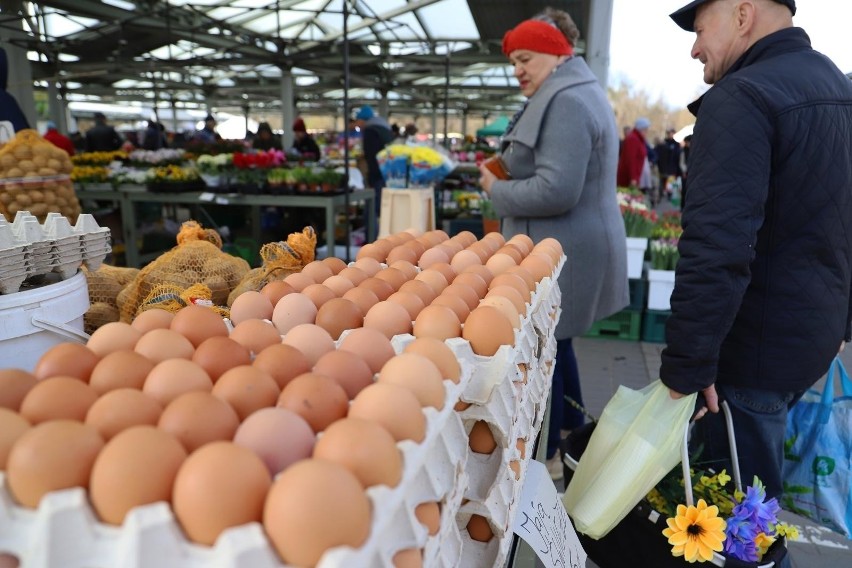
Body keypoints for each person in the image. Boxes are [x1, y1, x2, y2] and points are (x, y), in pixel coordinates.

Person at [662, 0, 852, 517]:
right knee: (752, 510)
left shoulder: (743, 96)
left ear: (742, 16)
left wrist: (685, 368)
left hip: (750, 357)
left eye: (701, 29)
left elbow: (716, 246)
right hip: (805, 344)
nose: (695, 47)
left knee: (735, 529)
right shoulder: (836, 84)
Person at [478, 8, 629, 480]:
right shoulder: (569, 91)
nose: (518, 69)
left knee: (550, 347)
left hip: (566, 250)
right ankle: (570, 443)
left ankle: (551, 455)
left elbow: (557, 190)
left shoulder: (565, 102)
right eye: (513, 61)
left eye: (526, 58)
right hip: (565, 248)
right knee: (558, 346)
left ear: (554, 54)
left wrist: (494, 189)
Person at [354, 105, 394, 222]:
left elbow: (372, 157)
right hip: (388, 173)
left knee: (371, 211)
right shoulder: (383, 128)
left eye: (358, 121)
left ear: (362, 120)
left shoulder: (370, 131)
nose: (358, 125)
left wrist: (371, 179)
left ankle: (371, 238)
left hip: (378, 175)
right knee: (382, 209)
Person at [617, 117, 652, 197]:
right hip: (630, 179)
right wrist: (633, 178)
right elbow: (631, 160)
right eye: (646, 129)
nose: (647, 132)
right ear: (641, 129)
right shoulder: (633, 139)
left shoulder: (638, 139)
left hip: (635, 177)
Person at [654, 128, 682, 200]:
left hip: (672, 168)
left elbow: (678, 157)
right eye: (669, 133)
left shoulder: (676, 145)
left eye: (671, 133)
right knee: (661, 184)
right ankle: (661, 195)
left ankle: (669, 196)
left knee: (670, 185)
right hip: (662, 168)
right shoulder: (663, 143)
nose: (670, 135)